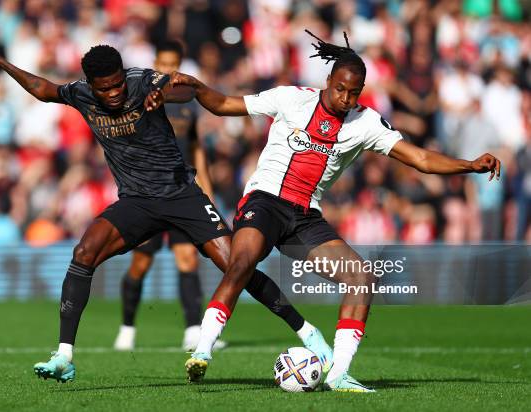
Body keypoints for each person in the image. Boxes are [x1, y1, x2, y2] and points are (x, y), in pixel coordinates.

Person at [0, 43, 333, 383]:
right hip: (136, 202)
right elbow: (43, 89)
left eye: (116, 85)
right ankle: (64, 355)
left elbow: (184, 86)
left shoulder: (143, 82)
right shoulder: (79, 93)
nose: (112, 93)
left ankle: (308, 333)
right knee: (83, 254)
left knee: (238, 265)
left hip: (182, 196)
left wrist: (166, 94)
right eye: (104, 88)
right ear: (91, 85)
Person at [170, 31, 500, 391]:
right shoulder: (291, 98)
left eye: (353, 92)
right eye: (340, 88)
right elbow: (224, 105)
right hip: (265, 201)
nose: (345, 98)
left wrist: (469, 165)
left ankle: (339, 374)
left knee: (362, 279)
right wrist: (196, 86)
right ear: (328, 81)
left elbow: (419, 158)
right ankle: (202, 351)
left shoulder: (367, 123)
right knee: (242, 261)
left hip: (305, 218)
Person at [113, 40, 225, 352]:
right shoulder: (137, 97)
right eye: (162, 63)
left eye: (172, 64)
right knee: (140, 263)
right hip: (148, 193)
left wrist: (208, 190)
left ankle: (192, 330)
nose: (166, 70)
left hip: (182, 192)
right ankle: (127, 328)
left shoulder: (187, 102)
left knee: (187, 260)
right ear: (154, 62)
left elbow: (196, 148)